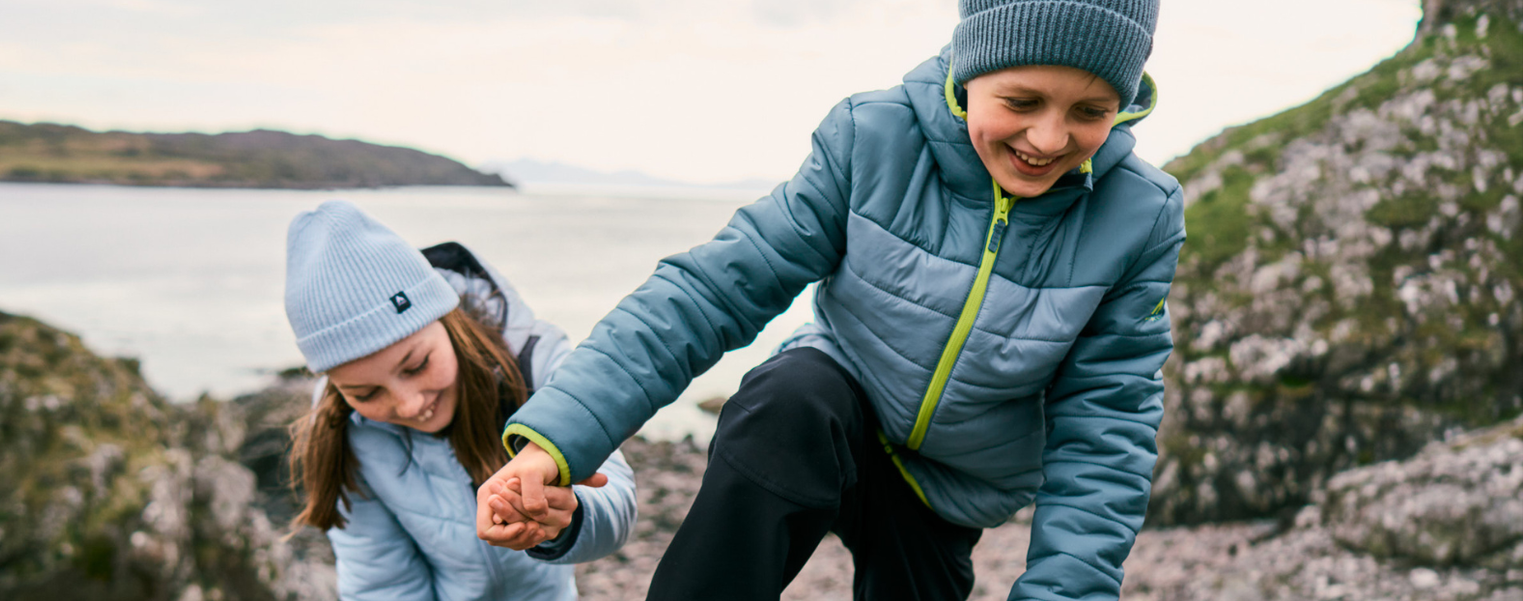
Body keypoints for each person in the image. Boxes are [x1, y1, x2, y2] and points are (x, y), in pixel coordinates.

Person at [482, 0, 1184, 598]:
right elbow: (708, 292)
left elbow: (1107, 426)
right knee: (783, 397)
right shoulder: (870, 138)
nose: (1049, 137)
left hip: (950, 490)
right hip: (829, 410)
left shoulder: (1140, 215)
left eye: (1092, 111)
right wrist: (556, 440)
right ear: (970, 70)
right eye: (1022, 102)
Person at [283, 200, 636, 600]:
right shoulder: (345, 432)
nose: (409, 405)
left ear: (447, 322)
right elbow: (382, 584)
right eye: (365, 393)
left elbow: (618, 502)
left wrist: (567, 520)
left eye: (416, 365)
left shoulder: (536, 362)